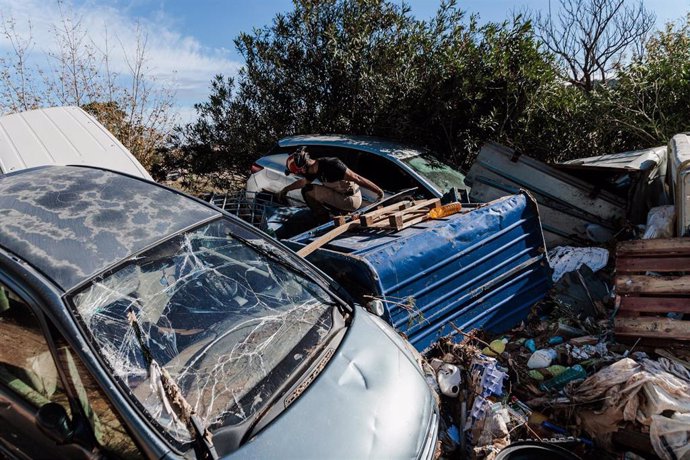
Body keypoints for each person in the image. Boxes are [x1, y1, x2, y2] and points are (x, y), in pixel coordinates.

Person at [278, 146, 384, 223]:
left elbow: (357, 178)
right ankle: (332, 213)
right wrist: (286, 189)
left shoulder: (332, 164)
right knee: (308, 188)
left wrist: (378, 191)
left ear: (304, 168)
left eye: (300, 172)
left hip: (351, 199)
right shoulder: (313, 170)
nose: (302, 174)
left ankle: (323, 219)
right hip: (340, 195)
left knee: (307, 191)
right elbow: (302, 182)